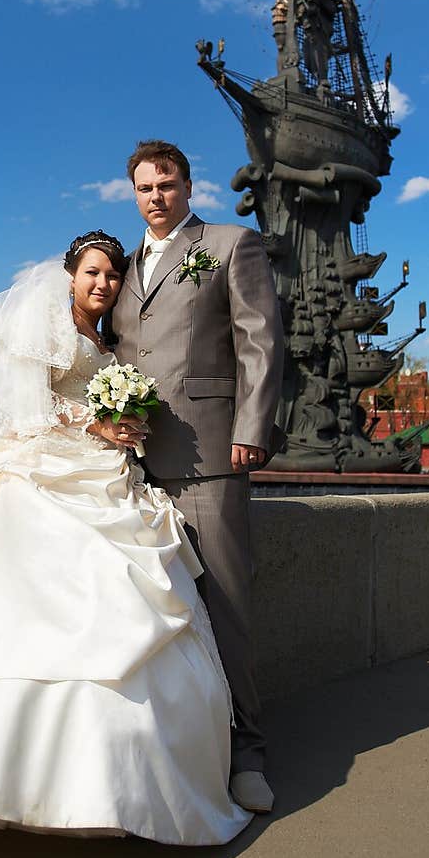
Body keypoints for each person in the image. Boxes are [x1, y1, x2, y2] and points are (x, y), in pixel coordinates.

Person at [0, 231, 252, 845]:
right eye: (92, 273)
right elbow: (21, 412)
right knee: (22, 620)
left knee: (125, 602)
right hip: (44, 474)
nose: (103, 285)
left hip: (104, 474)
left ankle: (115, 788)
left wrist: (120, 424)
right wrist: (95, 418)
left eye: (113, 276)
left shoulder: (107, 340)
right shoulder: (41, 331)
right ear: (68, 276)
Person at [107, 142, 284, 814]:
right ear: (134, 193)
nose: (157, 196)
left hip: (211, 456)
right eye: (145, 187)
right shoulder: (122, 268)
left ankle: (250, 752)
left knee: (227, 605)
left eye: (168, 184)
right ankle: (177, 748)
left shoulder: (230, 242)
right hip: (132, 464)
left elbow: (260, 339)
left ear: (187, 184)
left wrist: (251, 428)